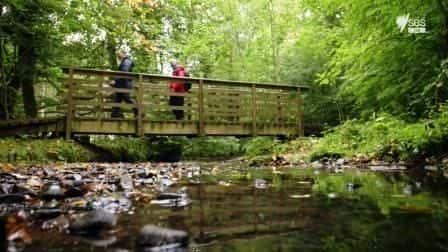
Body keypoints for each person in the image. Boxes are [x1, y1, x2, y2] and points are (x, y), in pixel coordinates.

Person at [111, 49, 137, 118]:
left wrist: (115, 80)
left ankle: (139, 112)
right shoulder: (124, 61)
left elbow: (124, 71)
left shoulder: (127, 61)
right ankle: (114, 115)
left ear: (123, 53)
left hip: (125, 84)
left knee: (127, 99)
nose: (118, 56)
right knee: (117, 99)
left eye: (119, 54)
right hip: (121, 84)